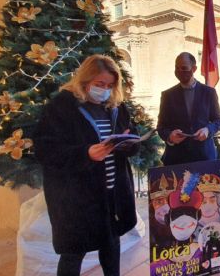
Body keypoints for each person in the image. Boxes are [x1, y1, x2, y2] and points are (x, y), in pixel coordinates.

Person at [33, 55, 140, 276]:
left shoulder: (116, 107)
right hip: (77, 199)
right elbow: (45, 150)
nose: (105, 90)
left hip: (112, 194)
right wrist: (86, 153)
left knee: (111, 245)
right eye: (99, 84)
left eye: (110, 85)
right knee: (73, 252)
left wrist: (129, 143)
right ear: (85, 80)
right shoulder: (62, 106)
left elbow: (133, 140)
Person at [157, 52, 220, 165]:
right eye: (177, 68)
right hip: (176, 159)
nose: (180, 71)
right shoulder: (167, 95)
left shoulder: (209, 92)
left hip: (204, 158)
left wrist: (207, 130)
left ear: (194, 69)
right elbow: (161, 127)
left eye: (184, 68)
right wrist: (170, 137)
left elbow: (217, 121)